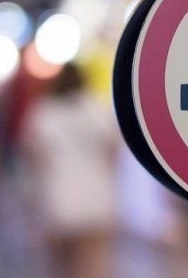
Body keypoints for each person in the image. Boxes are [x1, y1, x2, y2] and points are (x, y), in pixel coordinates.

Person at [21, 63, 118, 278]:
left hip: (59, 197)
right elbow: (113, 151)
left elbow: (34, 156)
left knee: (60, 266)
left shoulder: (45, 112)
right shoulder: (97, 108)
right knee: (92, 265)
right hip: (97, 195)